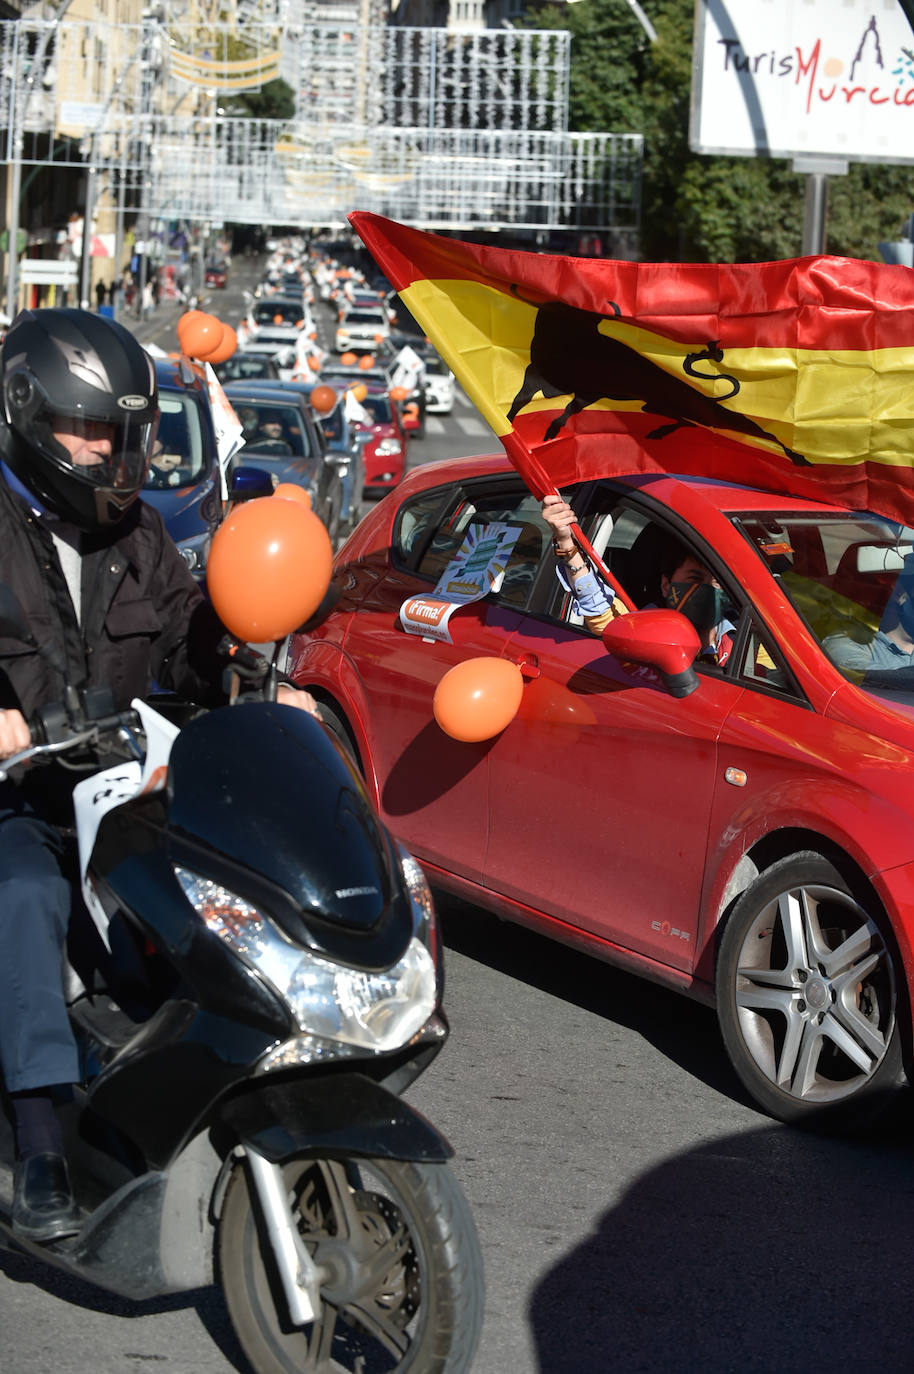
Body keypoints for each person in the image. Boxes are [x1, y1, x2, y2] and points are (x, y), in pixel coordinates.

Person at [0, 308, 319, 1242]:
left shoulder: (136, 534)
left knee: (224, 878)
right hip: (22, 794)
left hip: (126, 782)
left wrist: (241, 661)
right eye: (87, 428)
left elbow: (187, 636)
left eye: (121, 432)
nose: (107, 451)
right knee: (22, 889)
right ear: (26, 411)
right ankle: (38, 1130)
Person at [542, 493, 734, 664]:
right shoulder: (641, 628)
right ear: (666, 585)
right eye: (695, 578)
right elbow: (597, 606)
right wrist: (566, 542)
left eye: (717, 581)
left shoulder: (747, 637)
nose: (709, 589)